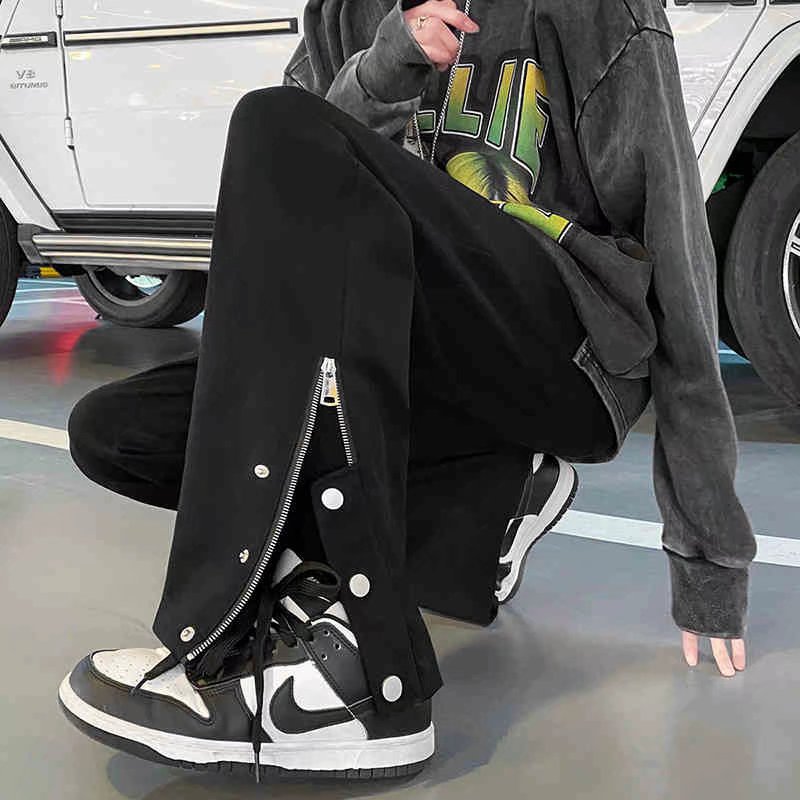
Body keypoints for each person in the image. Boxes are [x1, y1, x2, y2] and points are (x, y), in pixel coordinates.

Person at [57, 0, 756, 782]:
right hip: (412, 356)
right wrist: (388, 65)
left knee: (273, 120)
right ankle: (480, 503)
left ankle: (359, 681)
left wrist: (709, 555)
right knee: (120, 430)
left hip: (566, 352)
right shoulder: (342, 14)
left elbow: (677, 249)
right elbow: (288, 210)